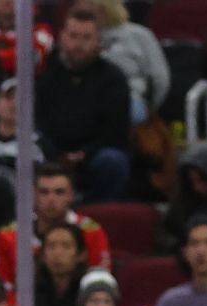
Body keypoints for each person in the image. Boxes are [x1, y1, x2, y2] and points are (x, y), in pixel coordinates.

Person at [33, 6, 133, 202]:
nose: (78, 44)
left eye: (86, 37)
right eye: (73, 36)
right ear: (62, 36)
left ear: (98, 41)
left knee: (113, 161)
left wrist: (83, 154)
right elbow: (38, 122)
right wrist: (56, 153)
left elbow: (115, 132)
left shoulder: (113, 79)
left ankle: (98, 214)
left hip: (94, 155)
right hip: (52, 154)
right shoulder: (47, 76)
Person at [0, 162, 112, 282]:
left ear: (71, 195)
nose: (51, 199)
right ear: (34, 195)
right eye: (44, 192)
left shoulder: (91, 234)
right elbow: (4, 289)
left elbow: (101, 285)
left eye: (59, 192)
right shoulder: (9, 236)